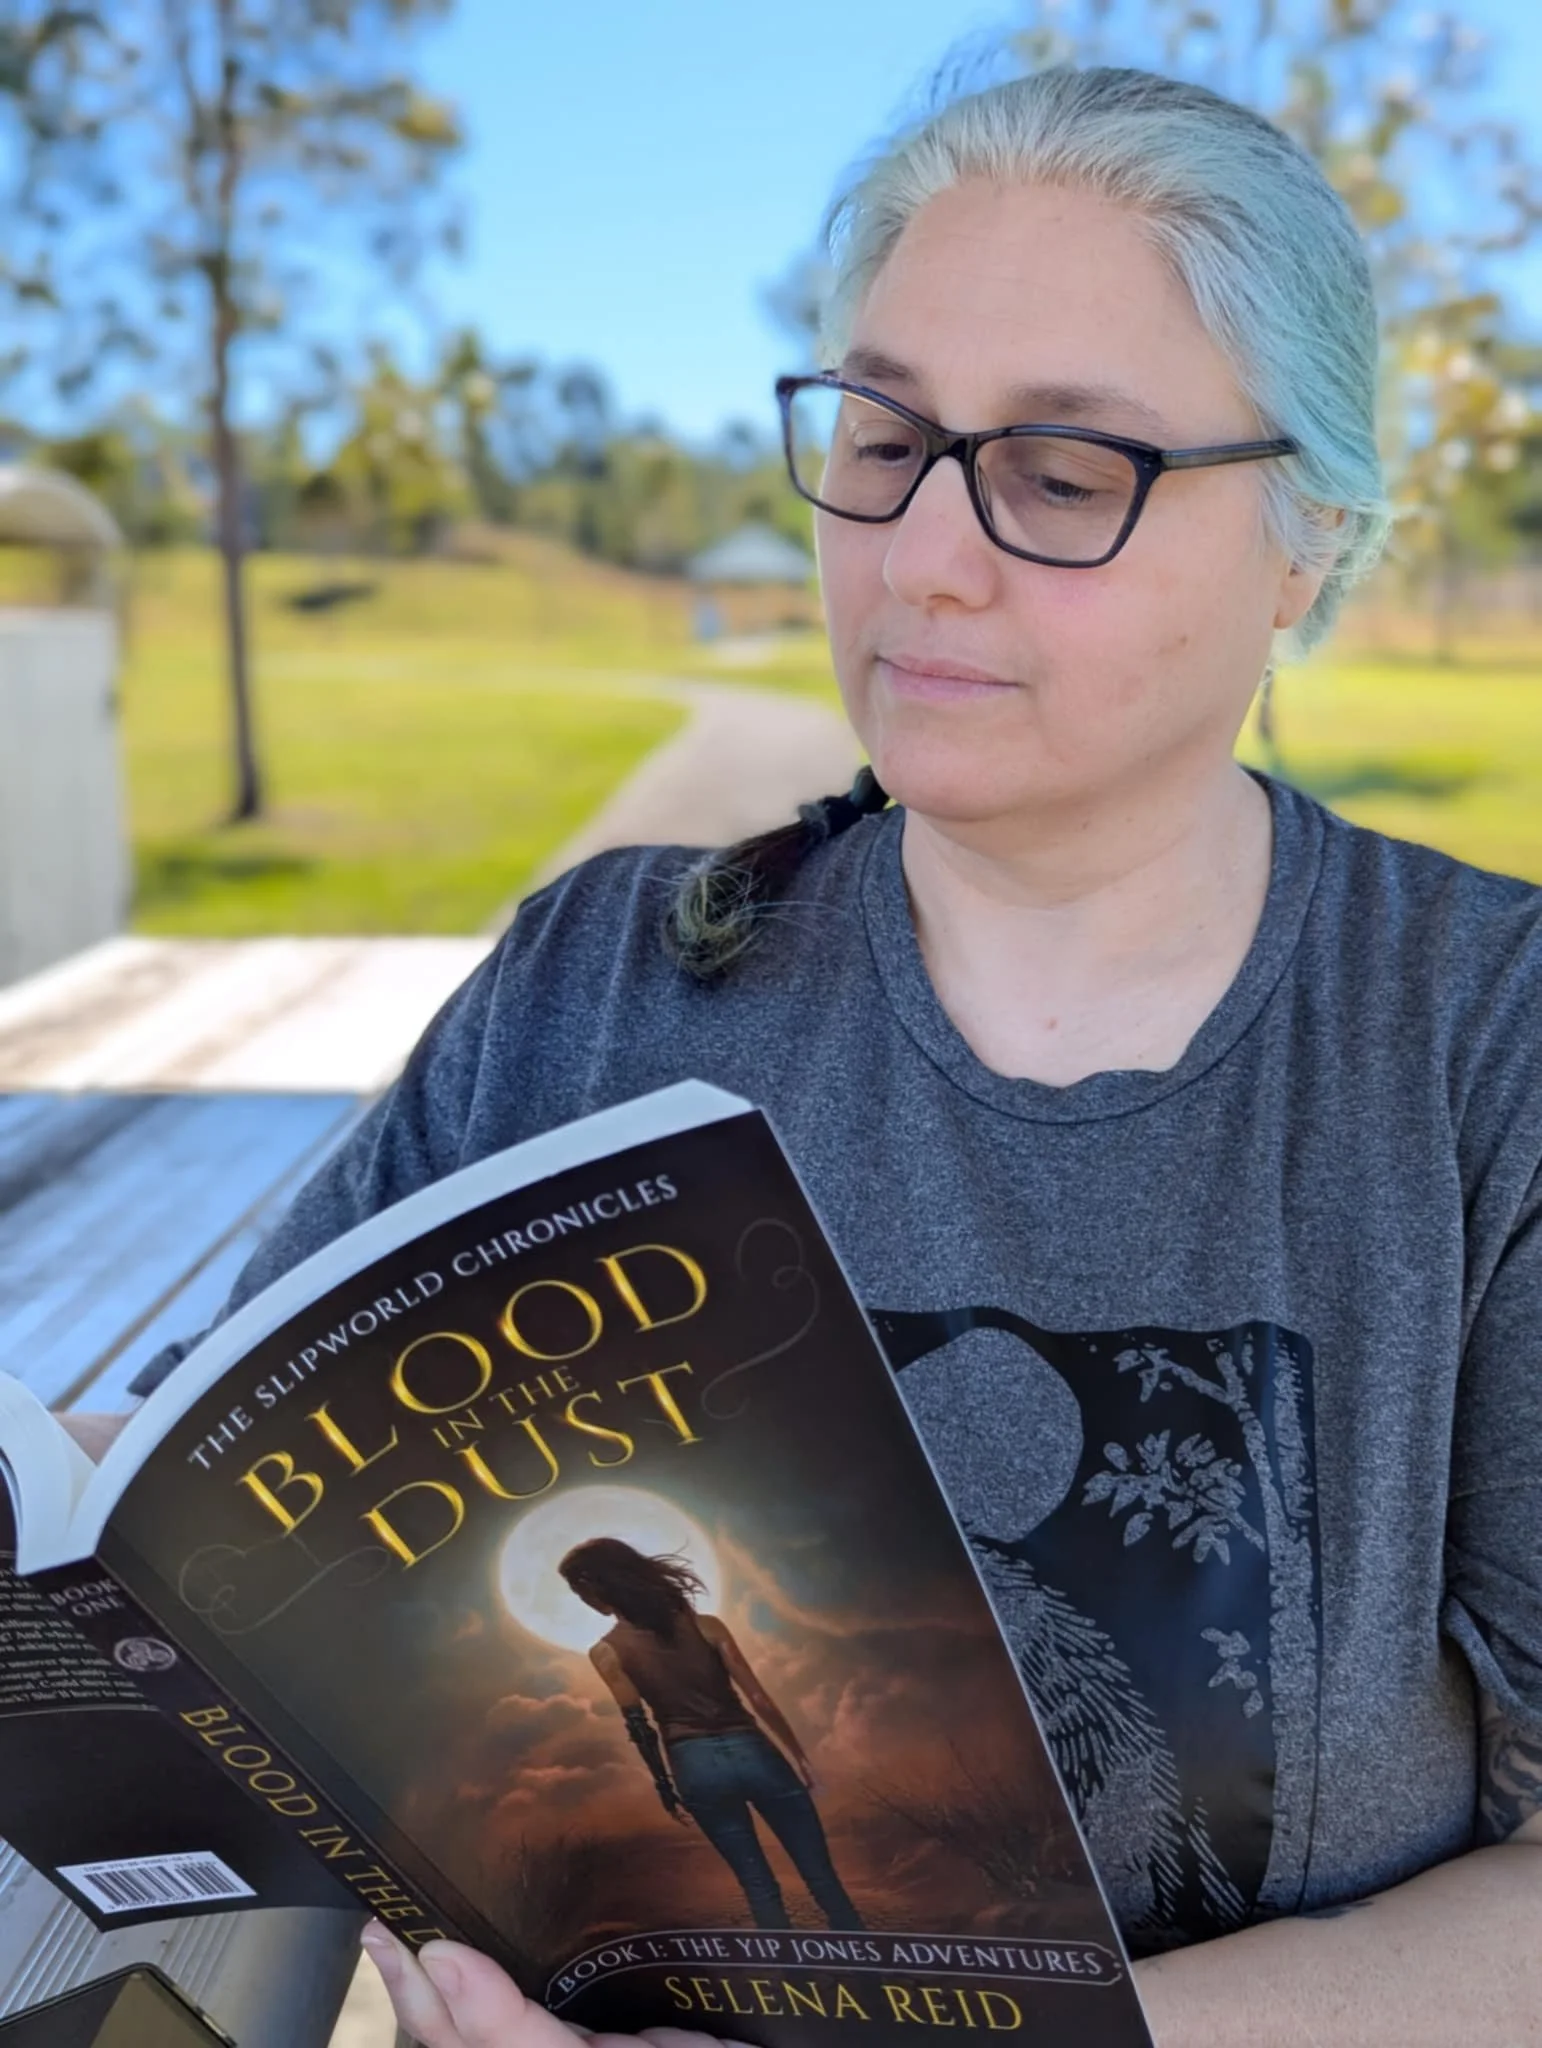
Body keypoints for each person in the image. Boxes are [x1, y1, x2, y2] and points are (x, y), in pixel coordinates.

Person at [64, 63, 1541, 2047]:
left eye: (1062, 472)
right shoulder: (591, 985)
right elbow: (194, 1520)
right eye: (885, 437)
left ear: (1309, 535)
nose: (921, 555)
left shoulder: (1481, 1046)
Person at [556, 1537, 862, 1931]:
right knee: (820, 1875)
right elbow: (759, 1699)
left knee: (757, 1886)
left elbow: (640, 1727)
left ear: (601, 1588)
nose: (584, 1600)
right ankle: (866, 1960)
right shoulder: (707, 1627)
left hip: (694, 1765)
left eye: (581, 1591)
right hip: (754, 1751)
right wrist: (799, 1756)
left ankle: (787, 1965)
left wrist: (664, 1784)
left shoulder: (606, 1653)